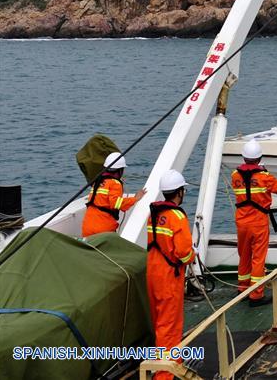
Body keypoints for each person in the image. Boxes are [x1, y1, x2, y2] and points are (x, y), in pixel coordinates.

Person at [232, 140, 277, 306]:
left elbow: (248, 182)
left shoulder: (235, 175)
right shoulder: (265, 177)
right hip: (258, 222)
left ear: (244, 157)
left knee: (244, 255)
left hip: (242, 221)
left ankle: (243, 289)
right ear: (259, 158)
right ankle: (256, 295)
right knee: (258, 258)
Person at [146, 170, 195, 380]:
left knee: (158, 322)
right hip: (169, 278)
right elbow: (183, 252)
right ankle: (165, 374)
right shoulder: (177, 216)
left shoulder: (154, 214)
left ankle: (169, 364)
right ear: (180, 192)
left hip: (153, 272)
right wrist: (193, 255)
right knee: (170, 326)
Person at [81, 152, 147, 237]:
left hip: (87, 228)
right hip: (103, 230)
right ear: (120, 170)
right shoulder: (115, 183)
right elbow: (116, 203)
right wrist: (135, 198)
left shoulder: (98, 181)